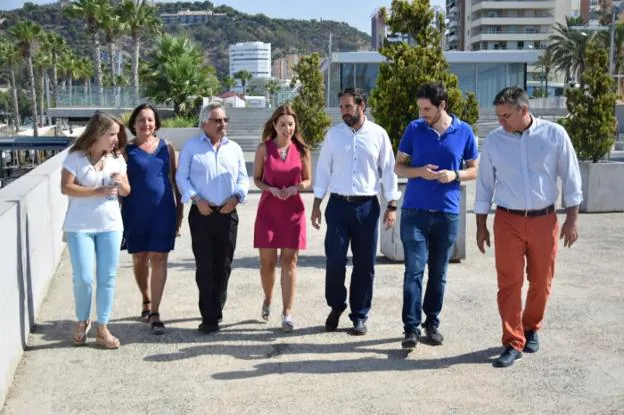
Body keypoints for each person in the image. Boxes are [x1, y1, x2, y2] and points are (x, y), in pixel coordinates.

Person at [474, 86, 583, 368]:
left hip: (544, 220)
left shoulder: (554, 135)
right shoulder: (495, 142)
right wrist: (480, 225)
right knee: (508, 283)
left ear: (524, 110)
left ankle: (531, 326)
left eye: (506, 116)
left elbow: (571, 177)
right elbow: (485, 184)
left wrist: (572, 219)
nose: (500, 122)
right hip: (507, 220)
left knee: (541, 280)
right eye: (498, 116)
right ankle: (512, 341)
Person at [395, 82, 479, 350]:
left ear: (442, 105)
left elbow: (475, 170)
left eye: (427, 108)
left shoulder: (464, 132)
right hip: (415, 212)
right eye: (420, 108)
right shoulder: (414, 129)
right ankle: (411, 328)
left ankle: (432, 323)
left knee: (439, 272)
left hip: (447, 213)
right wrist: (420, 171)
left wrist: (454, 175)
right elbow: (399, 167)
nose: (422, 113)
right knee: (414, 271)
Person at [311, 87, 400, 335]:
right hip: (338, 206)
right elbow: (323, 170)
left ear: (362, 106)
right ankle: (336, 305)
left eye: (348, 107)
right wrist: (317, 205)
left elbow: (389, 171)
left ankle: (359, 315)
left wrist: (391, 204)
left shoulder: (378, 135)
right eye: (341, 107)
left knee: (365, 263)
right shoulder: (334, 135)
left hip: (366, 207)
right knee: (335, 260)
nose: (343, 112)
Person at [176, 103, 249, 334]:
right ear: (204, 123)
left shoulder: (234, 148)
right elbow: (182, 178)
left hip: (228, 214)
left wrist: (237, 197)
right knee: (204, 266)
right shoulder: (191, 147)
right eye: (218, 120)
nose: (223, 125)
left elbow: (243, 179)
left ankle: (216, 308)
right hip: (202, 214)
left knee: (223, 266)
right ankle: (209, 316)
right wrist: (197, 200)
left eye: (225, 120)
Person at [60, 111, 131, 349]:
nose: (115, 139)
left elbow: (126, 191)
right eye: (111, 134)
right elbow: (66, 187)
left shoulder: (117, 159)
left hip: (111, 225)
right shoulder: (75, 157)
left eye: (116, 134)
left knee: (107, 278)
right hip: (79, 225)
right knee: (83, 277)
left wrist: (121, 184)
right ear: (98, 133)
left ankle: (102, 328)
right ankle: (83, 320)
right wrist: (96, 192)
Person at [121, 104, 183, 335]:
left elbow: (175, 180)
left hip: (163, 210)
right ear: (134, 124)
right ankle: (145, 299)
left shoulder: (167, 148)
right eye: (141, 120)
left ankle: (155, 312)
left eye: (149, 120)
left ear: (156, 122)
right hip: (135, 211)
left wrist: (180, 211)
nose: (146, 124)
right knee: (139, 258)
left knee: (159, 257)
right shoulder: (125, 150)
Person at [253, 104, 311, 332]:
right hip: (269, 210)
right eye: (283, 124)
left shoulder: (302, 150)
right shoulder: (263, 149)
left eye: (291, 124)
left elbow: (308, 179)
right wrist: (270, 189)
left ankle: (287, 313)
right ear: (274, 126)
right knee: (267, 263)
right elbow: (256, 179)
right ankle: (268, 299)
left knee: (290, 261)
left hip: (293, 212)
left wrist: (297, 188)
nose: (287, 128)